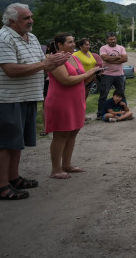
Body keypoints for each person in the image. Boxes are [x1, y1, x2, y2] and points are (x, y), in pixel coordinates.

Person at [0, 3, 69, 200]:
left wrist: (55, 62)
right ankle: (1, 186)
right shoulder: (2, 38)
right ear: (11, 21)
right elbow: (11, 70)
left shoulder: (31, 38)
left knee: (16, 141)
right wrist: (45, 64)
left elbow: (42, 65)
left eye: (31, 17)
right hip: (6, 98)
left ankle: (13, 178)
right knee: (4, 143)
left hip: (26, 96)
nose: (31, 21)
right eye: (26, 18)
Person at [45, 32, 101, 179]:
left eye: (73, 41)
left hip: (76, 100)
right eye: (70, 42)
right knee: (61, 134)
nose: (74, 44)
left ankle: (67, 164)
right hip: (61, 101)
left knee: (73, 132)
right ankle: (56, 169)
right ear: (59, 45)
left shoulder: (74, 57)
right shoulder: (54, 59)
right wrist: (89, 72)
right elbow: (66, 80)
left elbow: (82, 80)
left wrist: (94, 74)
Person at [98, 32, 128, 120]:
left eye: (114, 39)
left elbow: (125, 59)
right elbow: (105, 58)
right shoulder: (103, 48)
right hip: (107, 74)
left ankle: (123, 112)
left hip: (119, 75)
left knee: (122, 94)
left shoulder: (121, 47)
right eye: (111, 39)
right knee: (104, 95)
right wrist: (119, 57)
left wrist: (111, 60)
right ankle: (100, 113)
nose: (113, 41)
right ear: (107, 40)